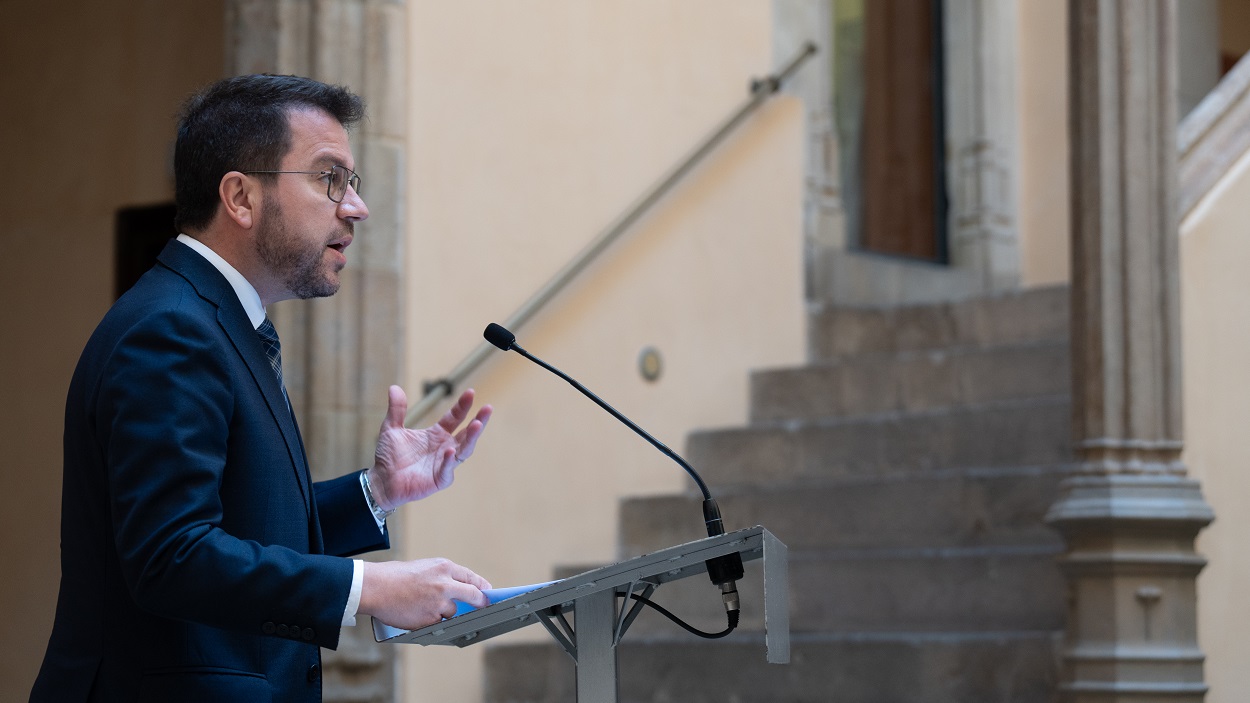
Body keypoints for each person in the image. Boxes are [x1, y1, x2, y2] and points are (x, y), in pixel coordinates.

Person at [31, 74, 493, 703]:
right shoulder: (171, 330)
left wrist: (375, 493)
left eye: (353, 183)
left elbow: (243, 528)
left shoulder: (213, 320)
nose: (355, 207)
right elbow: (173, 555)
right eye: (330, 179)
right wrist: (369, 588)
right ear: (241, 197)